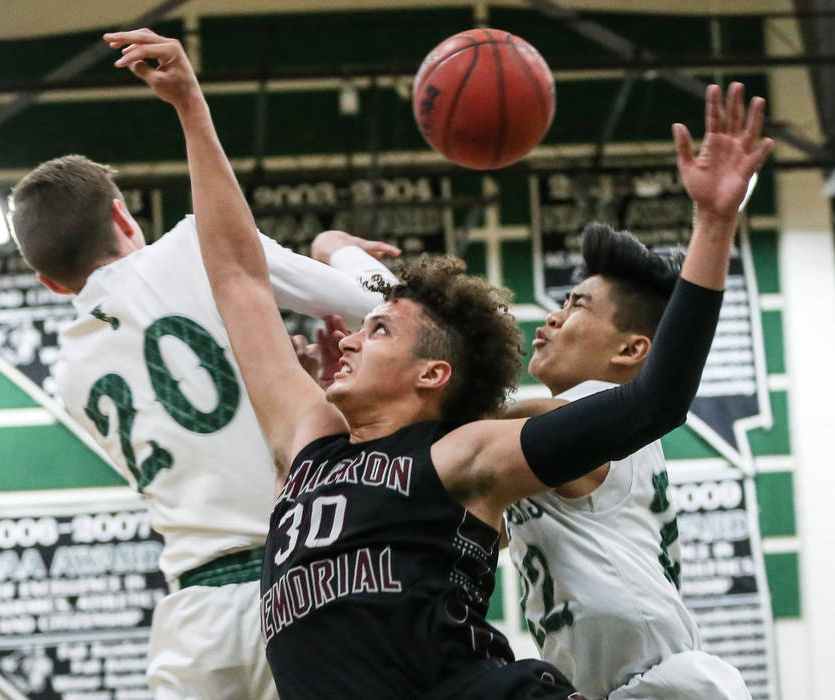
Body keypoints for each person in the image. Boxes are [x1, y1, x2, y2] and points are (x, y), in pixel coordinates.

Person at [106, 27, 771, 699]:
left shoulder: (463, 456)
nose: (352, 340)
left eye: (380, 330)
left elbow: (655, 403)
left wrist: (712, 226)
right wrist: (191, 105)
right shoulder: (310, 441)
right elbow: (238, 278)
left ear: (432, 375)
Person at [7, 153, 396, 698]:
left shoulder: (70, 375)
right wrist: (341, 250)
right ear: (123, 218)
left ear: (50, 283)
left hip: (193, 616)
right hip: (303, 578)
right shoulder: (194, 245)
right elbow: (387, 308)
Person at [504, 224, 750, 699]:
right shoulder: (573, 437)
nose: (554, 318)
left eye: (577, 305)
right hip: (618, 682)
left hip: (656, 682)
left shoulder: (573, 414)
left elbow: (462, 428)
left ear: (631, 349)